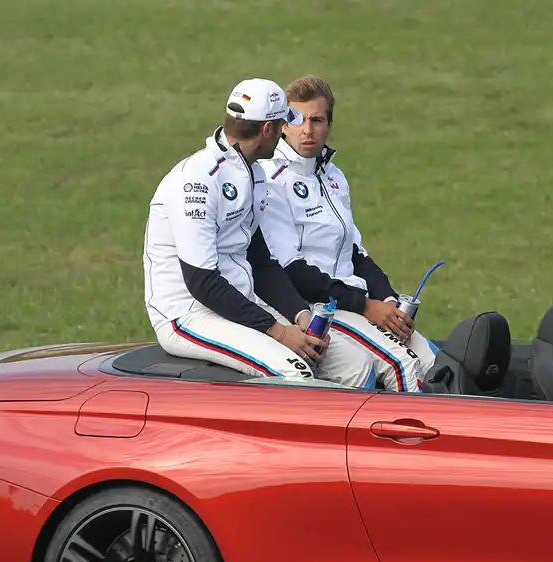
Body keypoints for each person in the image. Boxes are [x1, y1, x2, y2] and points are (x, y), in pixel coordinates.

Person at [142, 78, 375, 388]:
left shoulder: (254, 173)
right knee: (295, 371)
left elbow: (262, 262)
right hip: (188, 314)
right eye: (282, 125)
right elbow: (202, 282)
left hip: (241, 303)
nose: (284, 134)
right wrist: (278, 332)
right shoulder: (195, 181)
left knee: (352, 362)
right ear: (268, 130)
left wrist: (300, 315)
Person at [257, 75, 438, 393]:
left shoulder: (333, 176)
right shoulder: (270, 181)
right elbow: (291, 270)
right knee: (403, 366)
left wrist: (388, 300)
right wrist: (367, 307)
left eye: (317, 120)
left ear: (329, 124)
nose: (307, 129)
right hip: (322, 307)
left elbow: (356, 252)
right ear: (283, 124)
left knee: (432, 361)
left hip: (357, 302)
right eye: (296, 119)